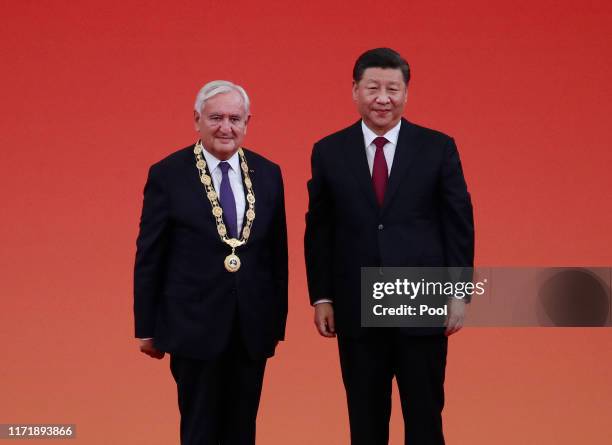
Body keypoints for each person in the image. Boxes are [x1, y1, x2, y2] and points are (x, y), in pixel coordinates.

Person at [304, 48, 474, 444]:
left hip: (419, 299)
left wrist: (458, 292)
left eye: (393, 89)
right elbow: (320, 228)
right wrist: (322, 296)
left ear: (406, 93)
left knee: (425, 416)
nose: (383, 98)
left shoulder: (437, 147)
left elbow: (459, 224)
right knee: (364, 417)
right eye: (373, 88)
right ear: (355, 91)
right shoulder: (329, 151)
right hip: (355, 303)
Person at [133, 80, 288, 445]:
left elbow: (276, 255)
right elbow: (150, 254)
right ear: (196, 120)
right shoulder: (168, 174)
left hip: (250, 328)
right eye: (216, 117)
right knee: (200, 429)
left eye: (235, 118)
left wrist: (275, 324)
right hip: (192, 326)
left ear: (247, 122)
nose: (226, 127)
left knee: (242, 430)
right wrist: (146, 326)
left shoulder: (268, 173)